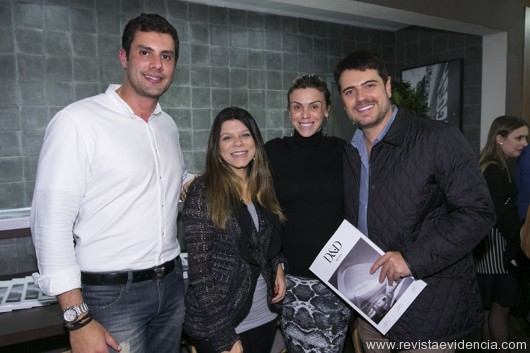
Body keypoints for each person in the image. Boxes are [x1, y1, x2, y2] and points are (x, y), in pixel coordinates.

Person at [30, 13, 191, 353]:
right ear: (124, 57)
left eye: (166, 56)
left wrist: (202, 181)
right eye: (145, 52)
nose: (156, 65)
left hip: (172, 285)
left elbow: (164, 180)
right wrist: (77, 319)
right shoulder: (78, 121)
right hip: (111, 295)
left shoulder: (168, 126)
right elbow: (51, 223)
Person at [334, 50, 495, 352]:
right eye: (350, 91)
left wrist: (411, 259)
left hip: (430, 312)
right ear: (343, 102)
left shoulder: (438, 138)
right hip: (373, 311)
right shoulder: (350, 153)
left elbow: (478, 213)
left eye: (370, 85)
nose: (361, 97)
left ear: (388, 87)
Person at [182, 107, 287, 353]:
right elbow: (200, 275)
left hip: (264, 315)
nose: (238, 143)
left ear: (256, 142)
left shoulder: (263, 187)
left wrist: (278, 265)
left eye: (245, 135)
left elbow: (265, 244)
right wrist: (225, 337)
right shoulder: (202, 193)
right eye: (227, 137)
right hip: (221, 324)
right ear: (217, 147)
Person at [264, 74, 351, 352]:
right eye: (297, 106)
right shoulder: (272, 152)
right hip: (291, 281)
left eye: (314, 106)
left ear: (327, 111)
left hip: (336, 278)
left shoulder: (344, 152)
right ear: (289, 111)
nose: (305, 114)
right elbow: (262, 213)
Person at [475, 116, 528, 351]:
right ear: (499, 139)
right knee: (499, 310)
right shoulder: (493, 170)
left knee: (491, 310)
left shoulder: (499, 166)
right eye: (519, 138)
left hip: (494, 249)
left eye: (525, 137)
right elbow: (501, 218)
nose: (524, 143)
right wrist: (521, 242)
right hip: (496, 251)